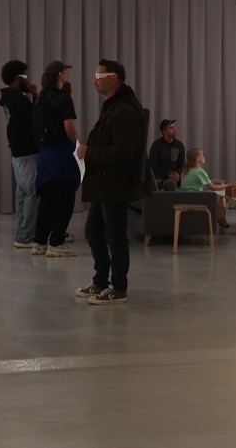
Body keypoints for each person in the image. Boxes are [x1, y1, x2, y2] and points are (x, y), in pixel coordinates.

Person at [77, 59, 146, 306]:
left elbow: (122, 152)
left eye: (99, 76)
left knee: (115, 235)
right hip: (103, 184)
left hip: (115, 185)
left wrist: (90, 152)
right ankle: (100, 281)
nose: (94, 81)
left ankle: (118, 287)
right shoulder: (113, 107)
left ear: (113, 79)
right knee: (93, 231)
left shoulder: (125, 110)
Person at [31, 60, 84, 257]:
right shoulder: (63, 98)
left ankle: (39, 242)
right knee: (64, 200)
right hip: (62, 154)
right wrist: (77, 145)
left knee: (46, 201)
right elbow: (68, 127)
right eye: (65, 72)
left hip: (45, 154)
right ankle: (56, 242)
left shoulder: (41, 97)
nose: (66, 74)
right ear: (60, 74)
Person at [0, 60, 40, 248]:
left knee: (23, 193)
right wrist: (36, 96)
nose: (27, 80)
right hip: (27, 152)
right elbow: (36, 119)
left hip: (18, 152)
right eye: (24, 76)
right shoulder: (18, 100)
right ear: (17, 78)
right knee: (32, 192)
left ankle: (22, 233)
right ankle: (26, 236)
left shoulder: (10, 98)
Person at [179, 147, 236, 228]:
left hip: (184, 198)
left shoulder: (186, 170)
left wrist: (219, 184)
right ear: (197, 159)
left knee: (212, 195)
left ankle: (222, 221)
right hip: (194, 199)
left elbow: (203, 182)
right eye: (202, 155)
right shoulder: (199, 171)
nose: (204, 157)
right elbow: (213, 187)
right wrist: (229, 185)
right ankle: (223, 221)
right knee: (214, 196)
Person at [149, 118, 185, 191]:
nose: (174, 130)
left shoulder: (179, 145)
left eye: (174, 127)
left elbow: (181, 164)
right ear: (164, 131)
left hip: (175, 177)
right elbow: (152, 166)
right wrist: (168, 174)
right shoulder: (156, 145)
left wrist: (177, 174)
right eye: (171, 128)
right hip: (159, 176)